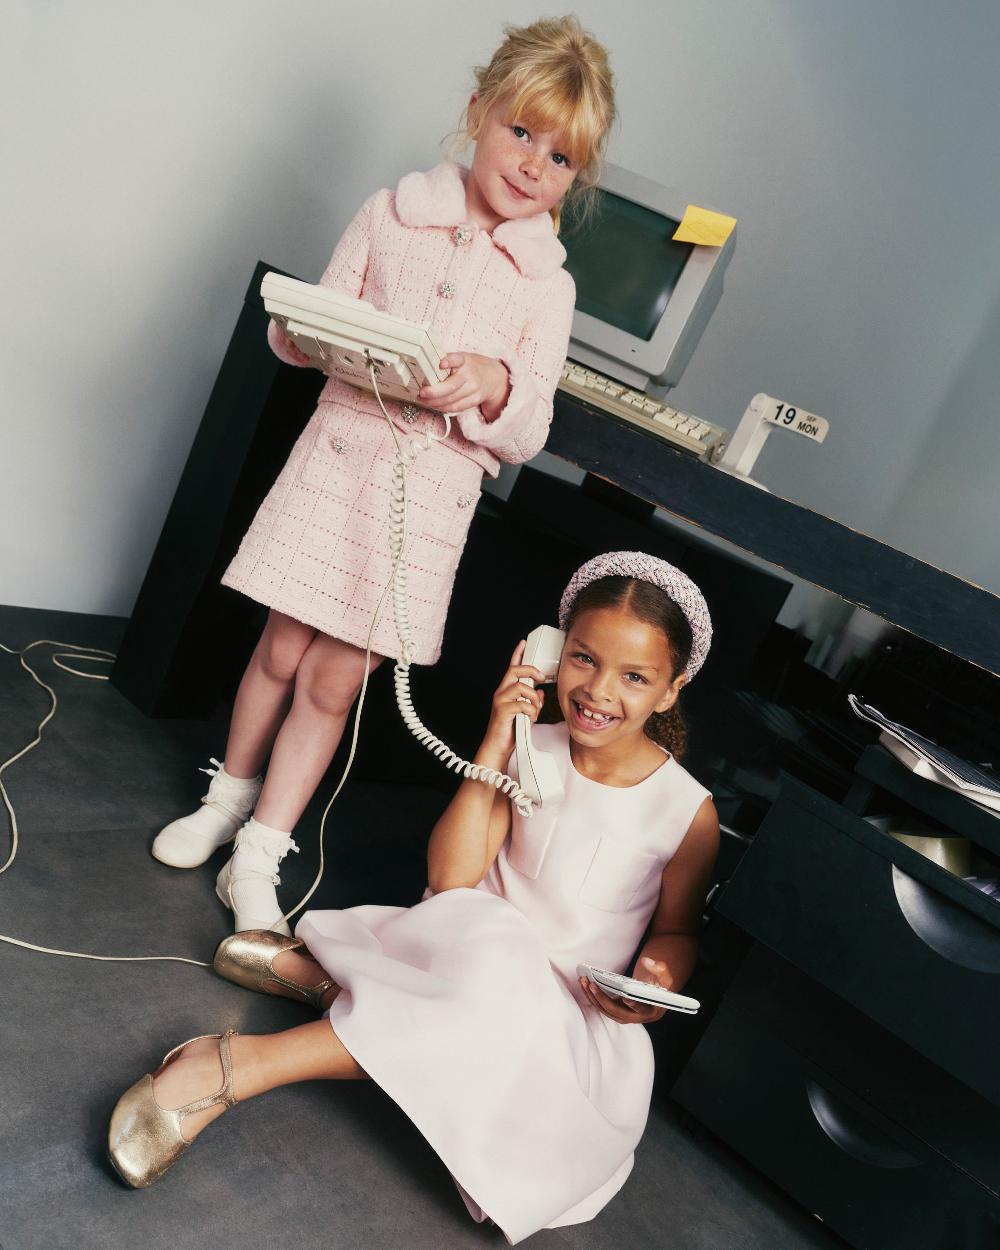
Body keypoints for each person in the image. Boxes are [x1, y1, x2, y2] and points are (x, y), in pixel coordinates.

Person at [149, 15, 617, 936]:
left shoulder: (546, 285)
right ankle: (225, 800)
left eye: (559, 157)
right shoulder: (391, 213)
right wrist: (305, 328)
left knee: (332, 683)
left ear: (575, 179)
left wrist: (495, 382)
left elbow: (530, 425)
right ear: (477, 112)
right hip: (336, 466)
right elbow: (308, 324)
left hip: (425, 507)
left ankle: (263, 850)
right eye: (520, 131)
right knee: (279, 651)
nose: (531, 164)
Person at [109, 552, 721, 1244]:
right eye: (582, 659)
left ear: (671, 691)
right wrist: (495, 744)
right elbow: (454, 878)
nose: (598, 690)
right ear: (551, 653)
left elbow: (676, 933)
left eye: (635, 677)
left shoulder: (686, 812)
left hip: (566, 1010)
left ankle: (338, 987)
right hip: (471, 949)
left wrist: (659, 976)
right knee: (492, 977)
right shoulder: (530, 748)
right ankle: (236, 1065)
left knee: (512, 1046)